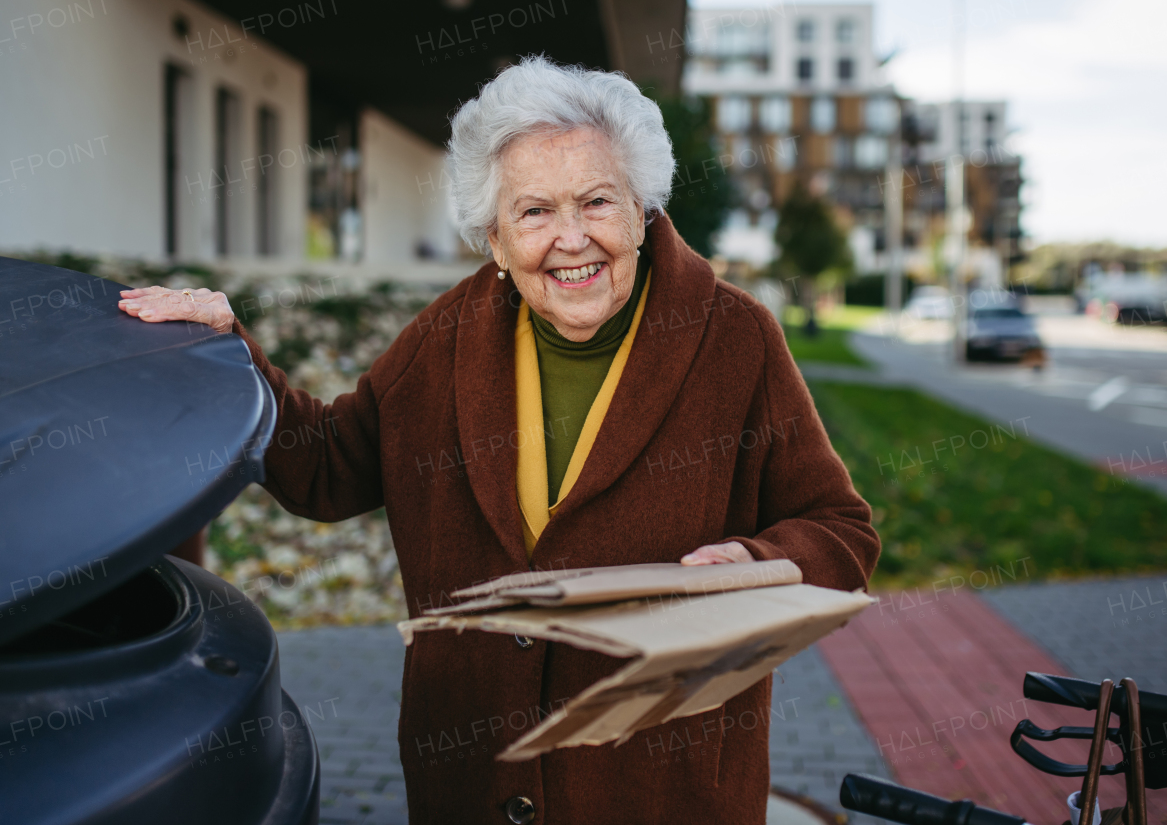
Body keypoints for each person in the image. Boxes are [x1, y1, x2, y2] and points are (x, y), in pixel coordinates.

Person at [119, 55, 879, 825]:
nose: (572, 239)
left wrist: (755, 563)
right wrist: (227, 349)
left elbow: (840, 528)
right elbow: (328, 466)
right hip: (474, 785)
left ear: (643, 210)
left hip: (663, 793)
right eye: (535, 212)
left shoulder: (733, 337)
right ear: (494, 239)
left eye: (596, 202)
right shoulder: (446, 338)